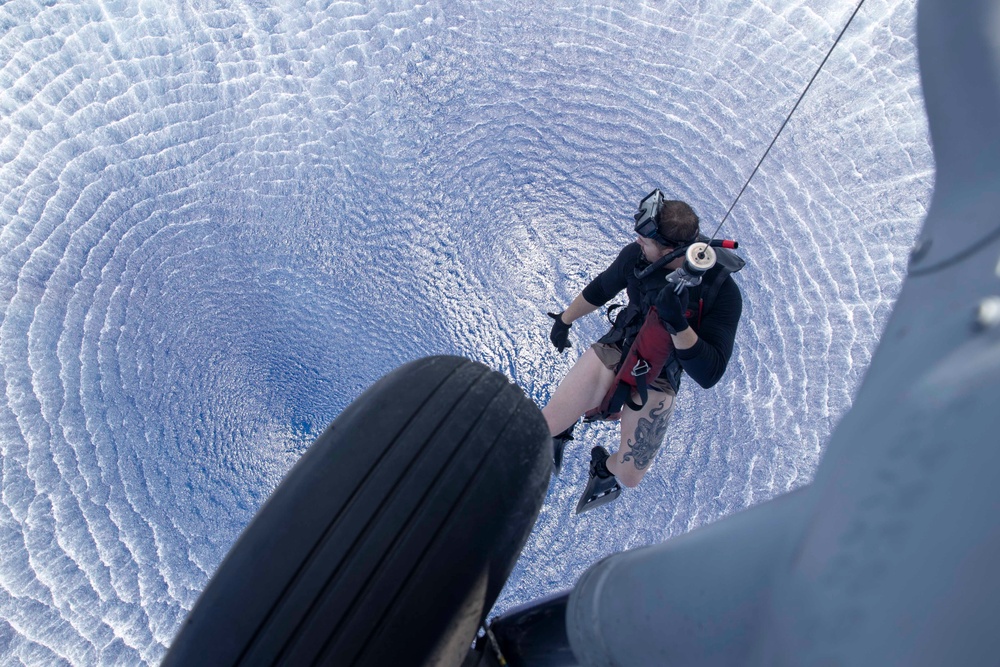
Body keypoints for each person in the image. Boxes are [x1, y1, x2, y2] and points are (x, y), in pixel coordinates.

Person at [542, 190, 743, 512]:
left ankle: (603, 469)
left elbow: (710, 372)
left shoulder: (722, 292)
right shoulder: (635, 258)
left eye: (644, 241)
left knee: (631, 475)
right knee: (544, 428)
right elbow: (603, 287)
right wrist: (564, 320)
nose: (637, 244)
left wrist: (679, 324)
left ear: (671, 252)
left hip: (662, 374)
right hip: (618, 347)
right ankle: (561, 427)